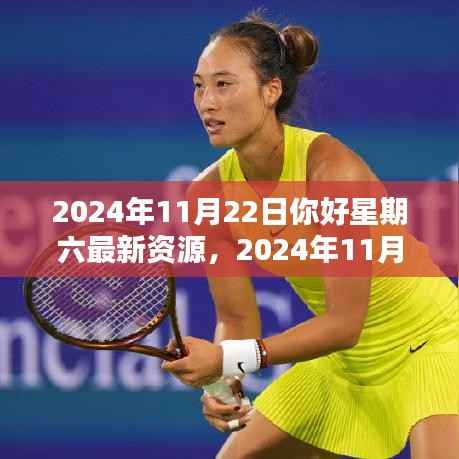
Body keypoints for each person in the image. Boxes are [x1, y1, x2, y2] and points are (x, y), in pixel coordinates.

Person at [162, 12, 459, 459]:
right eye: (199, 86)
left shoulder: (331, 170)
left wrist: (227, 357)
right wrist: (225, 380)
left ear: (271, 91)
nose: (207, 102)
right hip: (348, 366)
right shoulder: (209, 194)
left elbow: (344, 324)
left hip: (433, 343)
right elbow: (237, 320)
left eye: (224, 85)